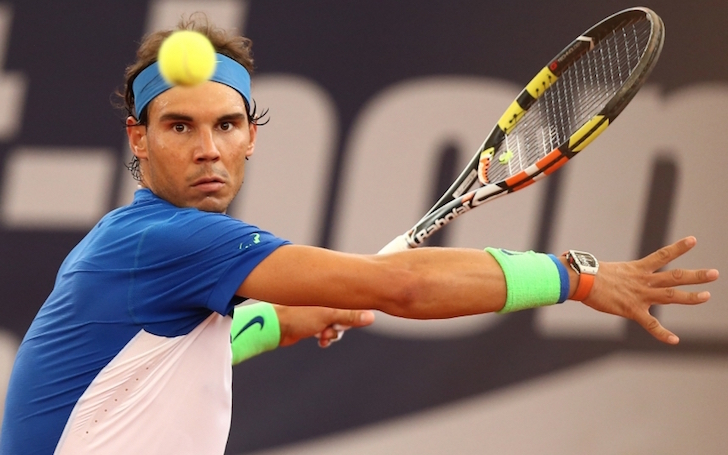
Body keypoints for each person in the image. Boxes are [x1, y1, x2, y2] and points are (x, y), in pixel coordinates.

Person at [0, 14, 719, 455]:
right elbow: (402, 284)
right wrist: (576, 275)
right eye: (179, 126)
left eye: (226, 124)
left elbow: (188, 349)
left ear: (252, 137)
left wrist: (278, 322)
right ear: (139, 136)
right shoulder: (165, 240)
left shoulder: (144, 252)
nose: (208, 147)